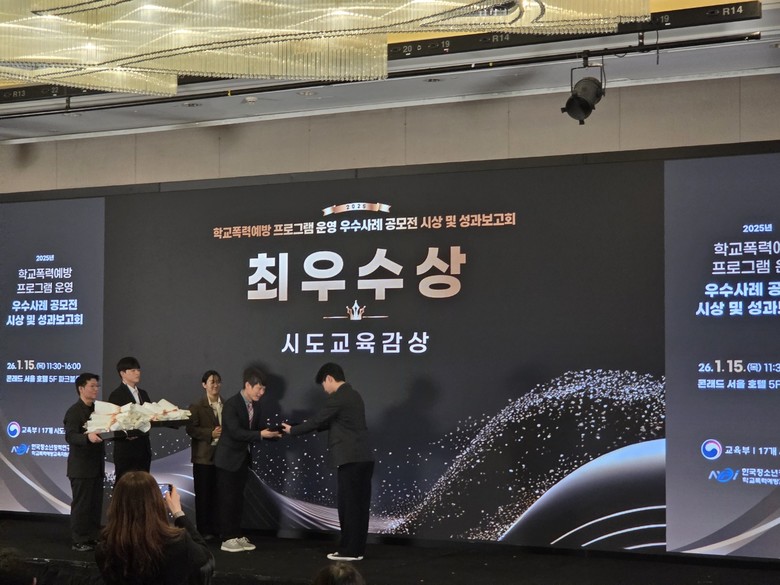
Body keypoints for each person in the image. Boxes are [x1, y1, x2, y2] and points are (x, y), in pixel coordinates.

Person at [282, 363, 375, 562]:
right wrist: (299, 426)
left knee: (349, 506)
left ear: (329, 378)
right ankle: (356, 549)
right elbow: (328, 422)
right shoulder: (354, 395)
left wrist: (292, 431)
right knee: (359, 506)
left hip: (350, 459)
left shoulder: (339, 397)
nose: (324, 389)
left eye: (323, 384)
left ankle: (349, 551)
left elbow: (318, 420)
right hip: (363, 458)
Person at [95, 471, 212, 585]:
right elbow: (206, 558)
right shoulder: (178, 543)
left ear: (116, 505)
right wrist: (178, 512)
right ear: (157, 502)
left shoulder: (105, 550)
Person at [214, 367, 281, 553]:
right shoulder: (232, 404)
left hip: (243, 459)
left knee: (238, 499)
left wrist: (273, 433)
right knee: (228, 499)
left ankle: (236, 534)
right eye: (259, 388)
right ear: (248, 385)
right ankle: (227, 538)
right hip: (227, 460)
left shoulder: (256, 406)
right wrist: (261, 434)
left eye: (264, 389)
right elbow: (236, 432)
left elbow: (256, 430)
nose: (262, 392)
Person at [64, 372, 106, 552]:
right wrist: (87, 438)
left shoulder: (98, 410)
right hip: (81, 467)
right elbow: (70, 436)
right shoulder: (74, 411)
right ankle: (79, 539)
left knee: (95, 504)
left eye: (97, 386)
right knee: (82, 505)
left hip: (96, 466)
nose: (96, 389)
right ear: (81, 389)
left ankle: (92, 536)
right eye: (92, 386)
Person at [185, 370, 223, 540]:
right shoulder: (197, 406)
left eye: (217, 382)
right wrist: (210, 433)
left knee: (218, 495)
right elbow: (190, 429)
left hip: (221, 457)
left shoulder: (226, 405)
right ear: (204, 385)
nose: (215, 385)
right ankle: (203, 531)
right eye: (212, 382)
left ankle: (217, 528)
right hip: (203, 457)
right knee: (203, 495)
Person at [107, 356, 152, 481]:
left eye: (138, 370)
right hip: (126, 450)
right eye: (133, 370)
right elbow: (113, 422)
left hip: (143, 448)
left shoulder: (143, 394)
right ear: (122, 373)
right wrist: (125, 435)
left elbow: (150, 415)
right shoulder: (116, 395)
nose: (137, 373)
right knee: (125, 485)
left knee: (143, 485)